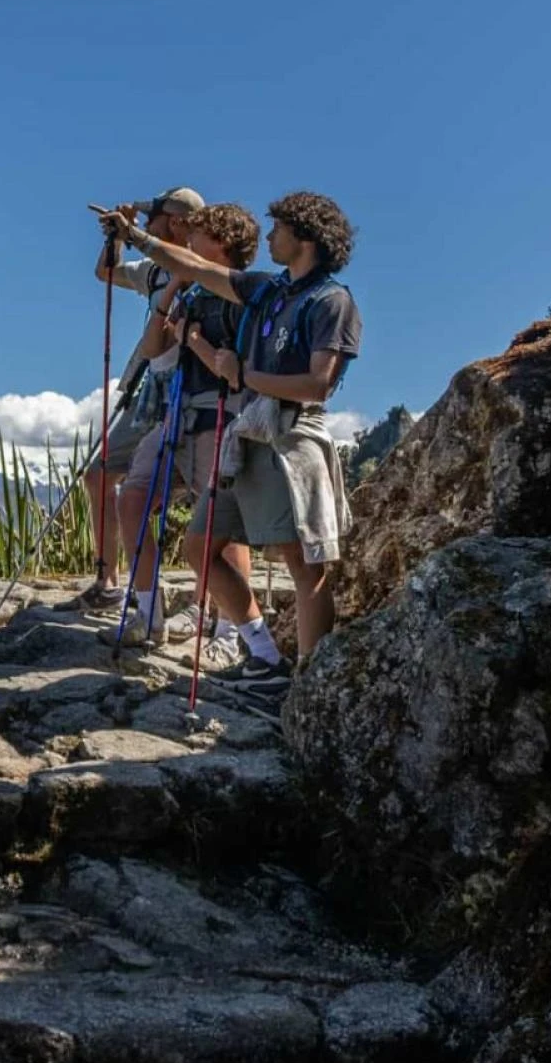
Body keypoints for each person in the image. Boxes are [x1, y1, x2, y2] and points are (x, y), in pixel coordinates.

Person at [98, 191, 362, 720]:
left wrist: (242, 374)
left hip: (291, 437)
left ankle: (307, 684)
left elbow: (318, 384)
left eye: (279, 228)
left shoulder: (331, 301)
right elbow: (193, 265)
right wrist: (139, 239)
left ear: (304, 237)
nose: (270, 238)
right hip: (250, 433)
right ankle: (264, 657)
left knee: (305, 565)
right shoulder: (269, 290)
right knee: (200, 546)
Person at [95, 202, 259, 655]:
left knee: (221, 528)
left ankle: (230, 634)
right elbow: (153, 350)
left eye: (199, 236)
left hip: (218, 419)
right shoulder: (188, 294)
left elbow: (234, 369)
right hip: (177, 417)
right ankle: (148, 615)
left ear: (222, 245)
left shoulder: (243, 297)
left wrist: (194, 338)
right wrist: (171, 295)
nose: (188, 242)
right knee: (132, 497)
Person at [75, 186, 203, 612]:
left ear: (180, 222)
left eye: (157, 214)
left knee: (200, 493)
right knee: (98, 474)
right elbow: (106, 274)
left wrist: (130, 232)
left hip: (190, 393)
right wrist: (114, 237)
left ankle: (203, 606)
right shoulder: (152, 272)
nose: (147, 221)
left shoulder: (205, 270)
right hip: (151, 388)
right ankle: (109, 579)